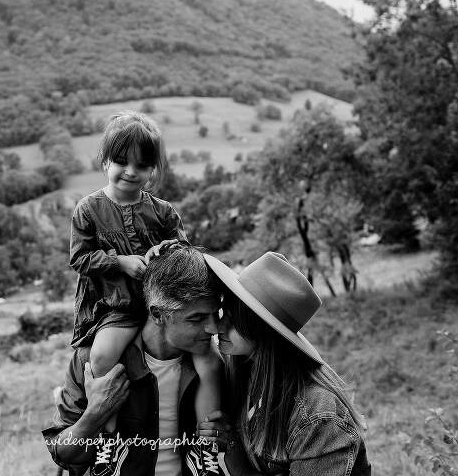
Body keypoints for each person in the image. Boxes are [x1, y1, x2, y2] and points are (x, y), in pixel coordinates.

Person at [68, 111, 221, 454]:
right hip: (118, 306)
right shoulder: (88, 210)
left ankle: (205, 447)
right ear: (105, 161)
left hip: (166, 307)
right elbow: (79, 259)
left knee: (210, 362)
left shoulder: (163, 211)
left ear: (153, 169)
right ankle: (108, 441)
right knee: (102, 356)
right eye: (121, 162)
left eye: (141, 165)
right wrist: (119, 262)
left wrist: (163, 250)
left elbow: (184, 252)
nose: (130, 171)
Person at [43, 245, 225, 476]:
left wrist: (225, 436)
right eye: (197, 318)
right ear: (157, 314)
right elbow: (63, 454)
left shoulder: (216, 365)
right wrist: (96, 413)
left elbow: (236, 444)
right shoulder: (92, 360)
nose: (213, 328)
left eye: (215, 314)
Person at [198, 252, 372, 476]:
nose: (217, 327)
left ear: (262, 330)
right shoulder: (246, 372)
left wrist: (234, 450)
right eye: (224, 315)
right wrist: (232, 440)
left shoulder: (317, 416)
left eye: (233, 321)